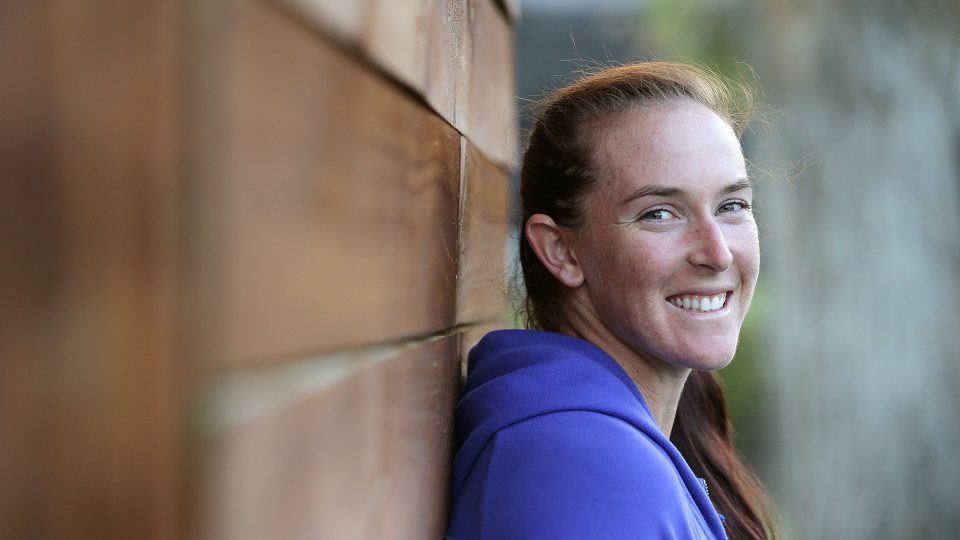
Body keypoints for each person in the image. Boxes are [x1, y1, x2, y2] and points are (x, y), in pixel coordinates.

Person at [446, 62, 777, 540]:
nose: (717, 252)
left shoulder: (605, 442)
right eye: (659, 213)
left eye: (732, 206)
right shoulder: (582, 470)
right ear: (561, 250)